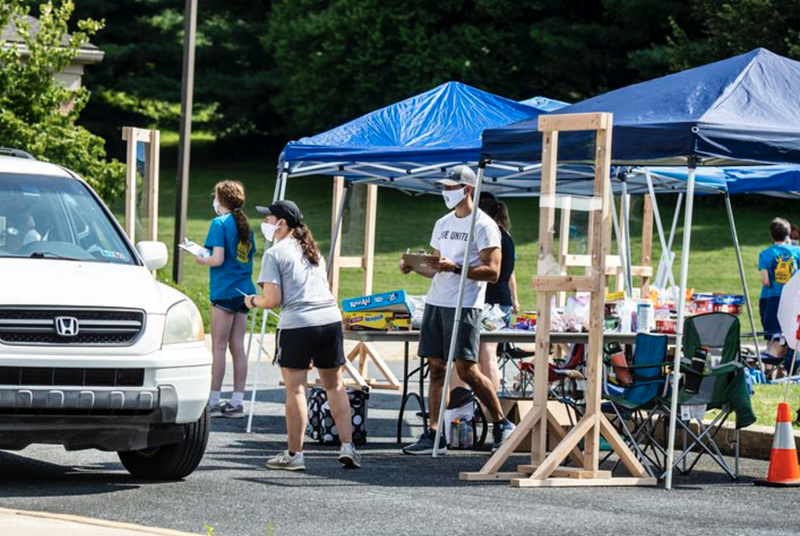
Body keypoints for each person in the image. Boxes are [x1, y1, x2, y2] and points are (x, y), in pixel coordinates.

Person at [400, 165, 515, 455]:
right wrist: (415, 266)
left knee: (467, 369)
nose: (445, 192)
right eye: (444, 187)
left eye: (451, 188)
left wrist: (457, 267)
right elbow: (438, 267)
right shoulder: (442, 223)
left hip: (465, 305)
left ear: (467, 190)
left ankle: (501, 423)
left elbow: (493, 272)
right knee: (436, 369)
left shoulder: (484, 225)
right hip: (437, 302)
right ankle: (433, 433)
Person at [245, 199, 362, 471]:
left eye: (269, 219)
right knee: (334, 384)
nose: (265, 223)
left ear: (282, 223)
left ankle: (295, 453)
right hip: (329, 319)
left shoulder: (275, 254)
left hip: (298, 322)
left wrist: (252, 301)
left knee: (296, 388)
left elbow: (272, 299)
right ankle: (348, 446)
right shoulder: (313, 251)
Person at [450, 193, 520, 403]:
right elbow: (511, 272)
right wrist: (515, 299)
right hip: (500, 302)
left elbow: (492, 271)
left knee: (475, 356)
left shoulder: (488, 233)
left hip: (487, 303)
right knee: (486, 355)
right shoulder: (505, 235)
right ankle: (486, 409)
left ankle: (468, 407)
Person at [195, 180, 256, 419]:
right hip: (244, 291)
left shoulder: (218, 223)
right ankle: (237, 401)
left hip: (224, 290)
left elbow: (217, 259)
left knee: (219, 347)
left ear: (221, 200)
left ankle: (213, 400)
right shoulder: (245, 225)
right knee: (238, 347)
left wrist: (201, 257)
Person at [758, 217, 800, 374]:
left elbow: (765, 281)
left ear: (771, 235)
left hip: (770, 301)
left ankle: (770, 375)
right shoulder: (798, 252)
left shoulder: (765, 254)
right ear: (789, 234)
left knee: (772, 338)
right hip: (793, 301)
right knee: (787, 339)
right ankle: (784, 373)